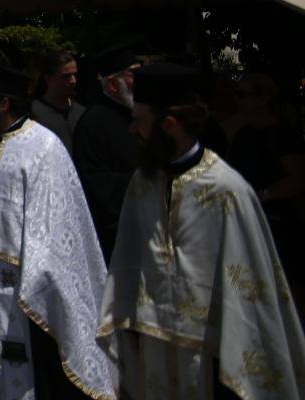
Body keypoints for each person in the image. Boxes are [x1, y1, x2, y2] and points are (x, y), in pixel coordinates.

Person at [100, 61, 305, 398]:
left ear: (168, 125)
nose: (132, 130)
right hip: (153, 344)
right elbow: (128, 257)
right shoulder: (143, 182)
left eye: (139, 121)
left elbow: (248, 284)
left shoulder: (226, 190)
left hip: (212, 354)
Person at [0, 64, 116, 400]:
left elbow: (55, 222)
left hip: (27, 286)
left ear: (4, 102)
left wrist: (34, 278)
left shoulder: (44, 146)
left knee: (33, 368)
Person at [225, 71, 305, 296]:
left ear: (263, 99)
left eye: (243, 94)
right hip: (250, 222)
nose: (237, 100)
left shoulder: (283, 135)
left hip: (279, 224)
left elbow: (298, 178)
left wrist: (264, 195)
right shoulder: (243, 134)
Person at [70, 43, 140, 260]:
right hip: (115, 239)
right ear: (113, 84)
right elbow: (95, 184)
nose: (141, 82)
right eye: (133, 75)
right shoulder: (93, 123)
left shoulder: (141, 117)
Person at [30, 50, 85, 152]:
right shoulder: (33, 115)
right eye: (66, 76)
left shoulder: (82, 114)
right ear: (48, 78)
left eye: (74, 75)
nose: (73, 81)